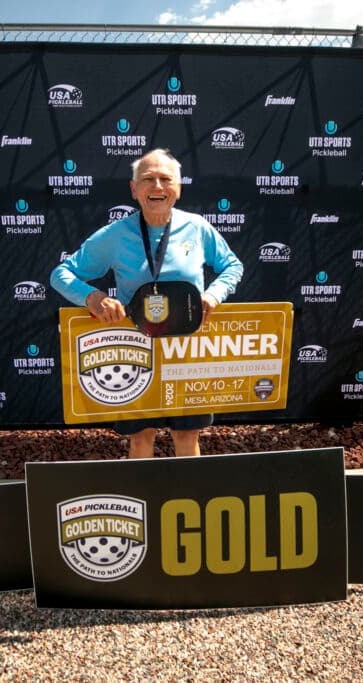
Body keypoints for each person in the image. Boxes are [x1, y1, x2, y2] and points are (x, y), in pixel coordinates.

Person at [50, 148, 244, 459]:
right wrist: (93, 297)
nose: (157, 187)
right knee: (141, 438)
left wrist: (214, 294)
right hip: (135, 350)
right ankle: (144, 503)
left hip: (187, 350)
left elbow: (232, 266)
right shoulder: (115, 235)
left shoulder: (197, 227)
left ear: (178, 188)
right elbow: (61, 275)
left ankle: (189, 503)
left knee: (186, 436)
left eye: (166, 179)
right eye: (147, 179)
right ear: (133, 189)